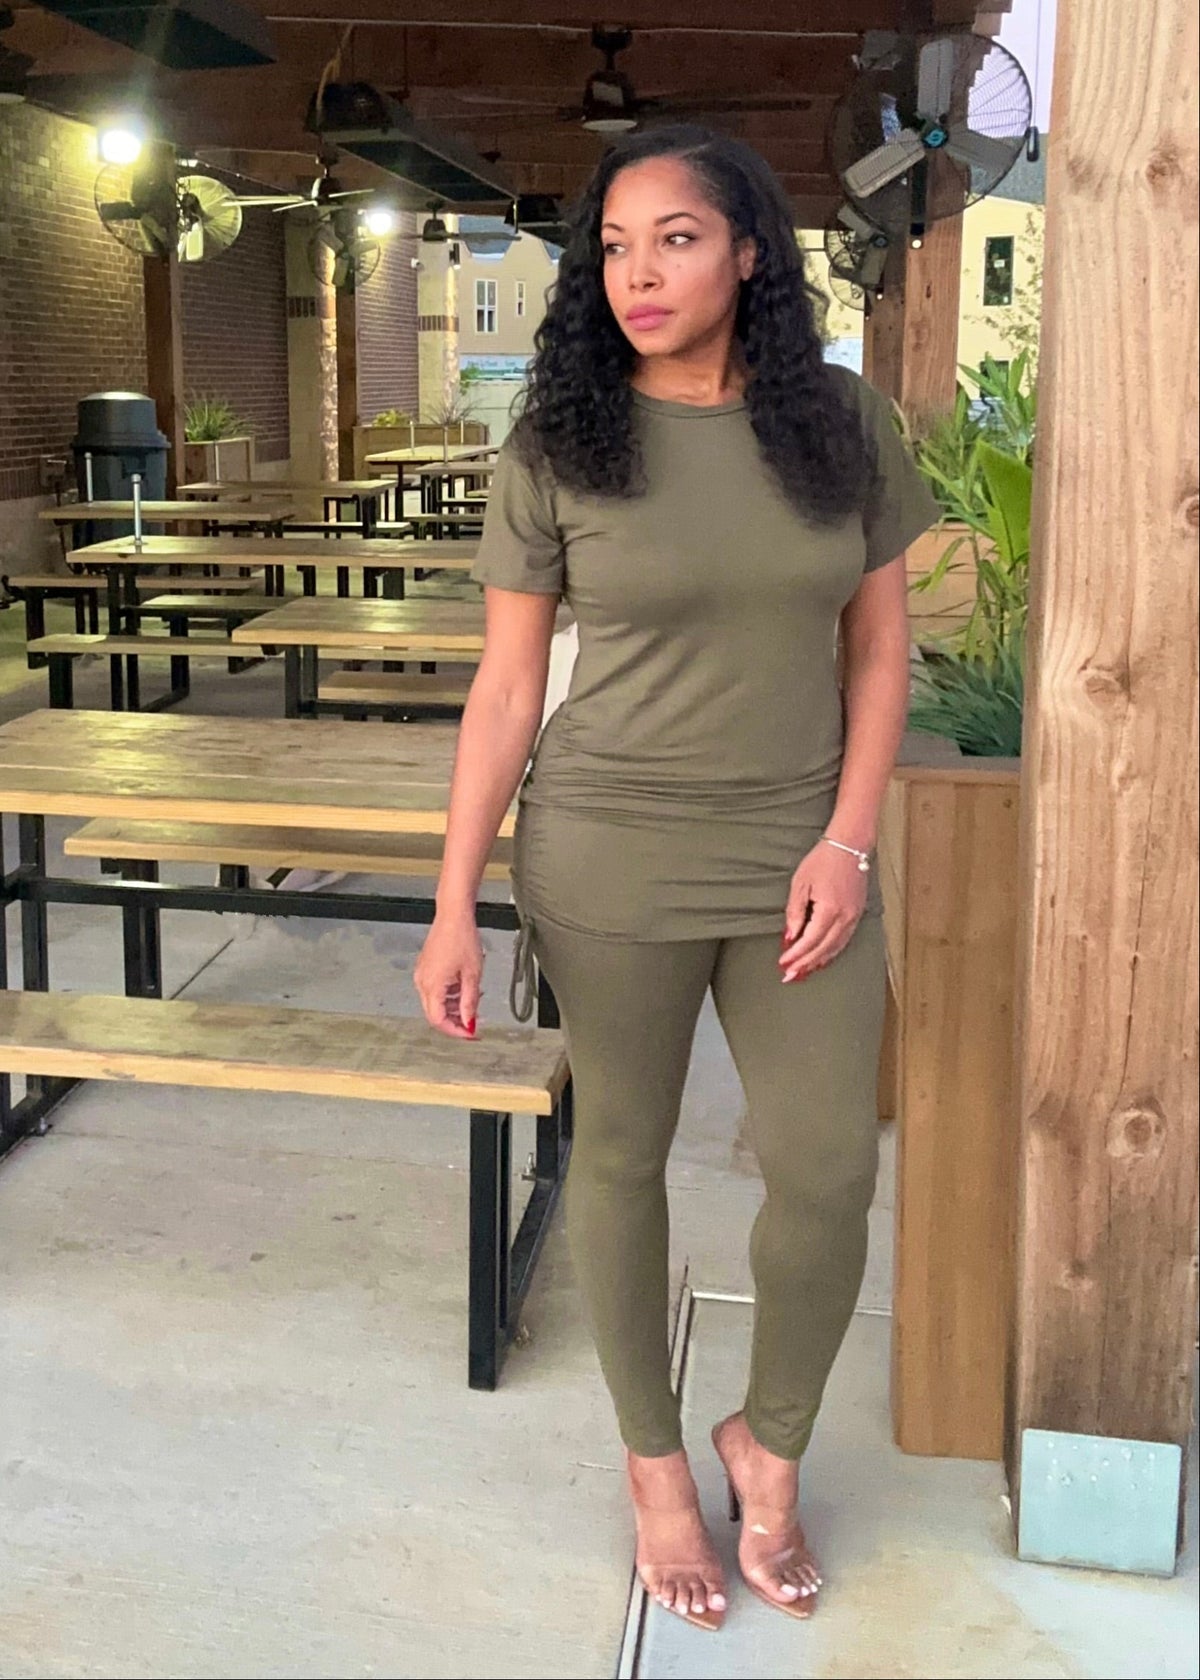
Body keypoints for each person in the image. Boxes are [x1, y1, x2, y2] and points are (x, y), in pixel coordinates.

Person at [415, 124, 939, 1633]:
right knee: (623, 1158)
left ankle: (765, 1451)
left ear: (750, 254)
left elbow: (881, 647)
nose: (638, 273)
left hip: (801, 859)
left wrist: (849, 841)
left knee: (830, 1171)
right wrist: (456, 900)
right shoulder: (563, 440)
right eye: (616, 247)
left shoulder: (841, 424)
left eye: (678, 239)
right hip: (606, 850)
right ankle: (658, 1471)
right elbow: (509, 692)